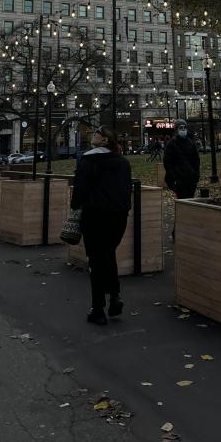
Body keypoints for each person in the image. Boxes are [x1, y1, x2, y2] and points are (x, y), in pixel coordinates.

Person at [71, 125, 132, 326]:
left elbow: (80, 189)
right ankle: (115, 296)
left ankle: (98, 309)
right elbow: (126, 189)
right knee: (107, 254)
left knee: (96, 261)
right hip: (118, 217)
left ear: (105, 140)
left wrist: (75, 206)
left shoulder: (88, 160)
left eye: (97, 133)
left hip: (95, 216)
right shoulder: (123, 163)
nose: (93, 134)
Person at [164, 120, 200, 237]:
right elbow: (167, 163)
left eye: (185, 127)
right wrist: (173, 177)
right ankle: (178, 232)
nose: (183, 129)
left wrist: (196, 174)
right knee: (182, 205)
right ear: (176, 129)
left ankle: (184, 231)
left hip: (190, 178)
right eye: (181, 127)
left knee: (189, 204)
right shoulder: (171, 144)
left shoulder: (190, 143)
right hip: (179, 179)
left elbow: (196, 160)